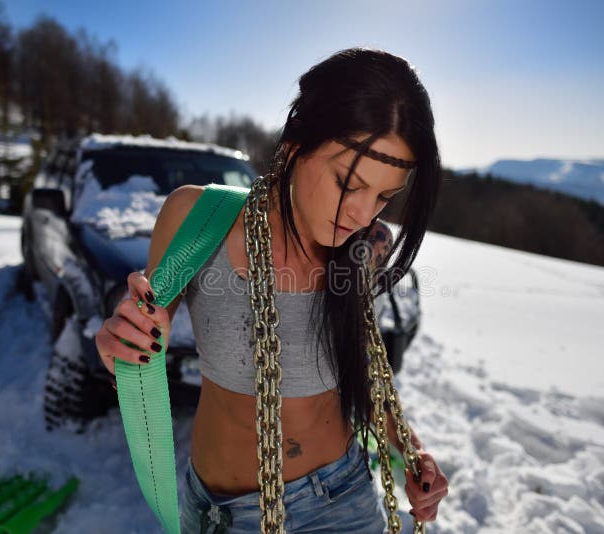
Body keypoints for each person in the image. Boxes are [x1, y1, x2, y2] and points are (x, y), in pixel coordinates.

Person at [94, 47, 449, 533]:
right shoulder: (197, 221)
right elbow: (137, 347)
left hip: (341, 502)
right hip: (223, 513)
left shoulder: (361, 249)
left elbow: (360, 375)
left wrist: (410, 449)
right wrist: (123, 346)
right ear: (294, 146)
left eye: (385, 196)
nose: (363, 215)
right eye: (348, 182)